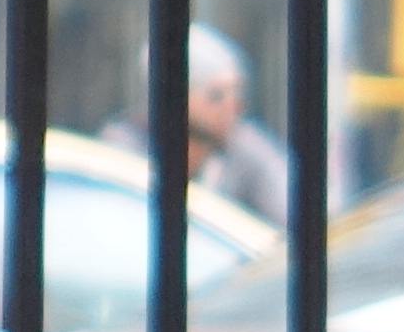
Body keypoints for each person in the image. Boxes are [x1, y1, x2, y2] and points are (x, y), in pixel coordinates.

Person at [110, 21, 290, 220]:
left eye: (237, 93)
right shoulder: (123, 152)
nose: (234, 107)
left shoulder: (243, 146)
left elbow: (293, 217)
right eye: (217, 95)